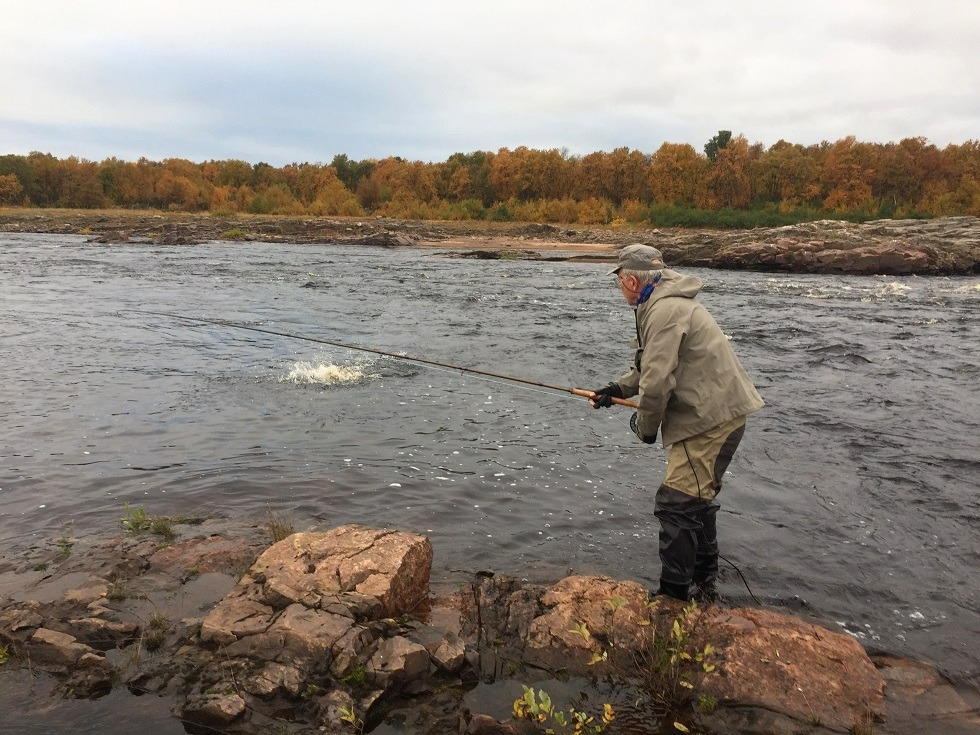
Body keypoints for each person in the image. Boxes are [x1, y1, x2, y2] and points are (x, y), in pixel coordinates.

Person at [590, 244, 764, 602]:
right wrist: (616, 388)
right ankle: (706, 582)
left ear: (633, 281)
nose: (618, 288)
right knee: (695, 500)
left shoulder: (665, 311)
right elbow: (648, 366)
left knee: (676, 504)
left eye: (619, 282)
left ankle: (673, 601)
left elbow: (656, 384)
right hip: (715, 415)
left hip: (710, 421)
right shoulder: (661, 302)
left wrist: (647, 428)